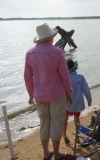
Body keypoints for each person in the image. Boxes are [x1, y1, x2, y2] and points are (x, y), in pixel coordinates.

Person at [24, 23, 73, 160]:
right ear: (51, 38)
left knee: (44, 123)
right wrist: (69, 93)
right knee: (57, 122)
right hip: (57, 94)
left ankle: (46, 153)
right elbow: (65, 75)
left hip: (40, 95)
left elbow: (28, 77)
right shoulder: (57, 52)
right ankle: (56, 153)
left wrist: (30, 95)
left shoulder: (29, 53)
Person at [63, 58, 92, 144]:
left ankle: (64, 134)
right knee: (77, 120)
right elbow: (86, 89)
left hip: (67, 103)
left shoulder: (65, 78)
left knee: (65, 118)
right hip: (77, 103)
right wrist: (89, 99)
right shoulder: (80, 77)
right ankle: (77, 137)